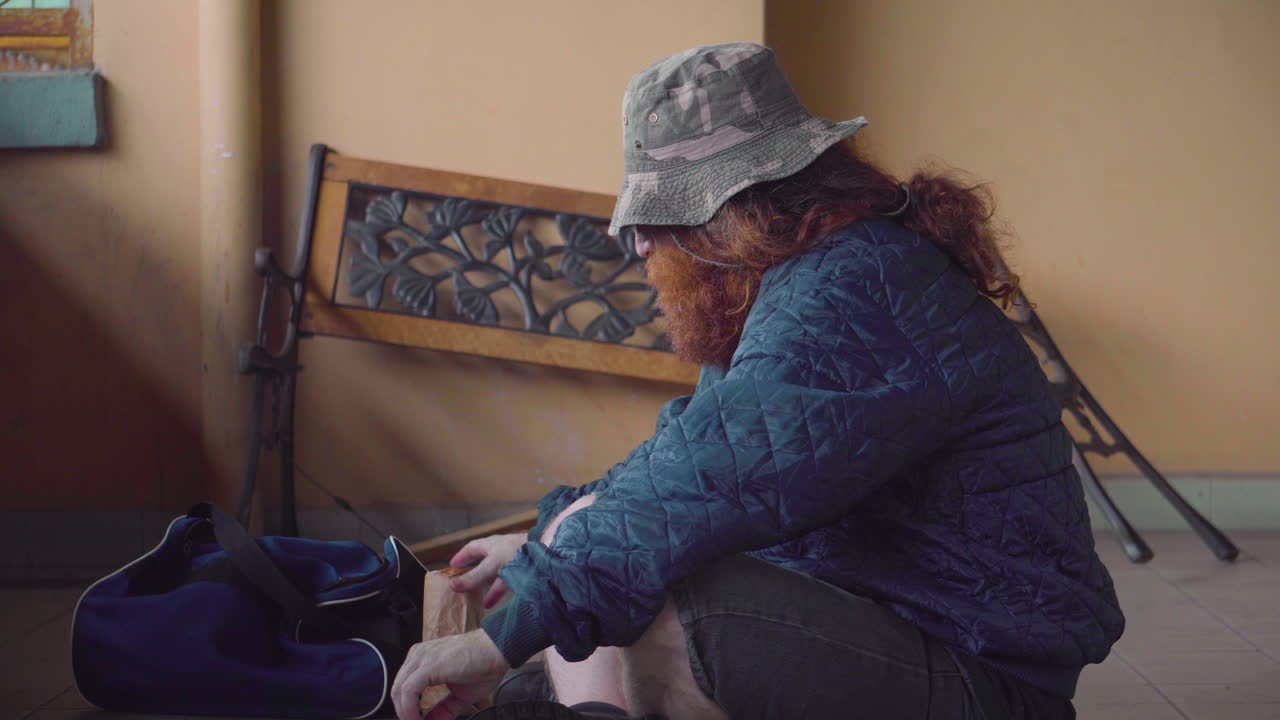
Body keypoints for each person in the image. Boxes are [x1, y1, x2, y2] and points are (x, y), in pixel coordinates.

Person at [391, 42, 1124, 720]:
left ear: (739, 209)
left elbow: (715, 483)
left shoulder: (856, 288)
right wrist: (545, 540)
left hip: (983, 677)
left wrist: (505, 632)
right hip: (900, 622)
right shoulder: (789, 282)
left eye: (662, 214)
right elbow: (683, 466)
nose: (638, 241)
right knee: (580, 593)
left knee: (639, 600)